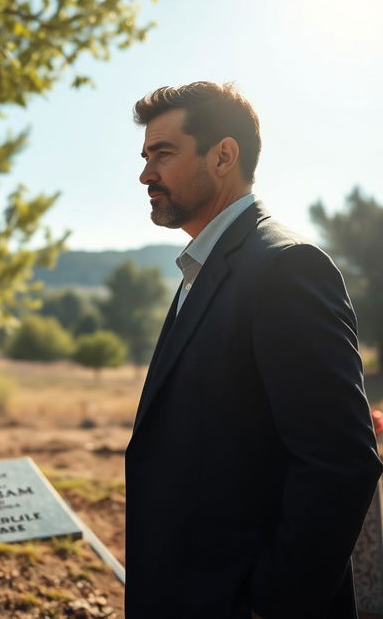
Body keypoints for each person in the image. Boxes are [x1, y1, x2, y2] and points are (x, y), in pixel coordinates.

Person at [124, 81, 383, 619]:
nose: (146, 174)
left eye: (163, 153)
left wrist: (271, 605)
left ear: (223, 155)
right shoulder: (205, 267)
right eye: (146, 156)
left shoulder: (285, 268)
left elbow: (340, 463)